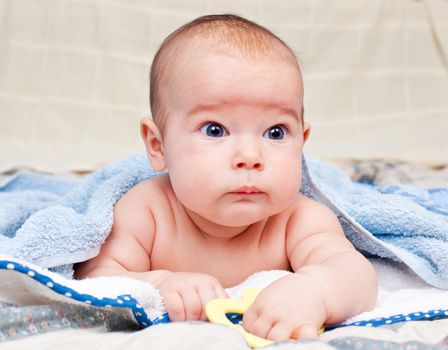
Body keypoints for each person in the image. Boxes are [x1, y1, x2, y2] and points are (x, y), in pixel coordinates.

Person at [75, 14, 377, 341]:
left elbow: (357, 274)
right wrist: (160, 283)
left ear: (302, 141)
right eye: (215, 130)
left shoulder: (297, 219)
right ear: (157, 145)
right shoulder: (146, 211)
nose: (250, 156)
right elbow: (96, 279)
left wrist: (317, 290)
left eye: (276, 132)